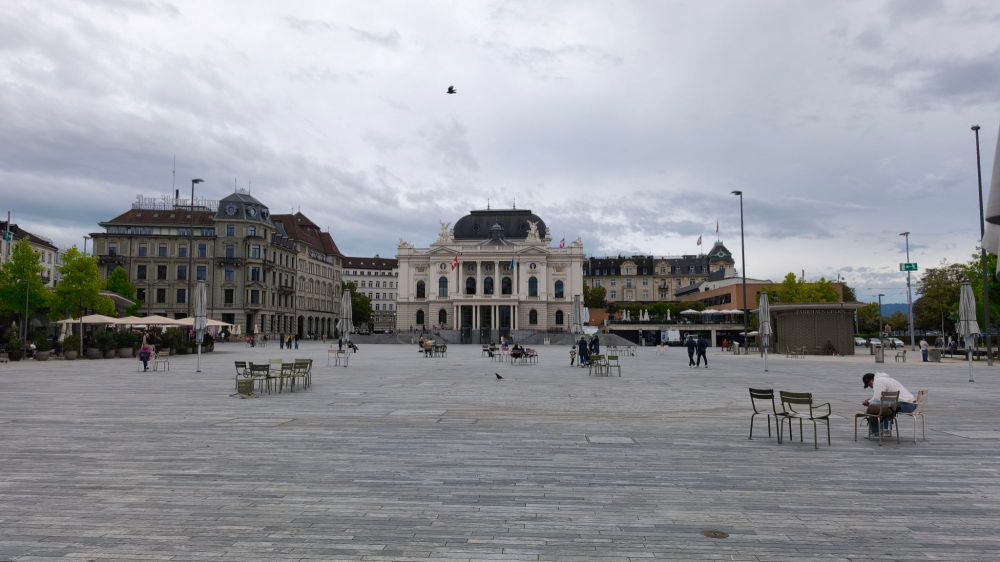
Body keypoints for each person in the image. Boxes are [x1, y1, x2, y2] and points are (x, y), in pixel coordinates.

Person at [861, 372, 917, 436]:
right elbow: (881, 398)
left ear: (871, 380)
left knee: (873, 408)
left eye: (869, 385)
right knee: (883, 406)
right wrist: (871, 401)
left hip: (905, 405)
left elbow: (878, 398)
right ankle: (886, 429)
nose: (870, 387)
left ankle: (876, 431)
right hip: (911, 403)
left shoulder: (878, 381)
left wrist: (868, 402)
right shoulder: (886, 379)